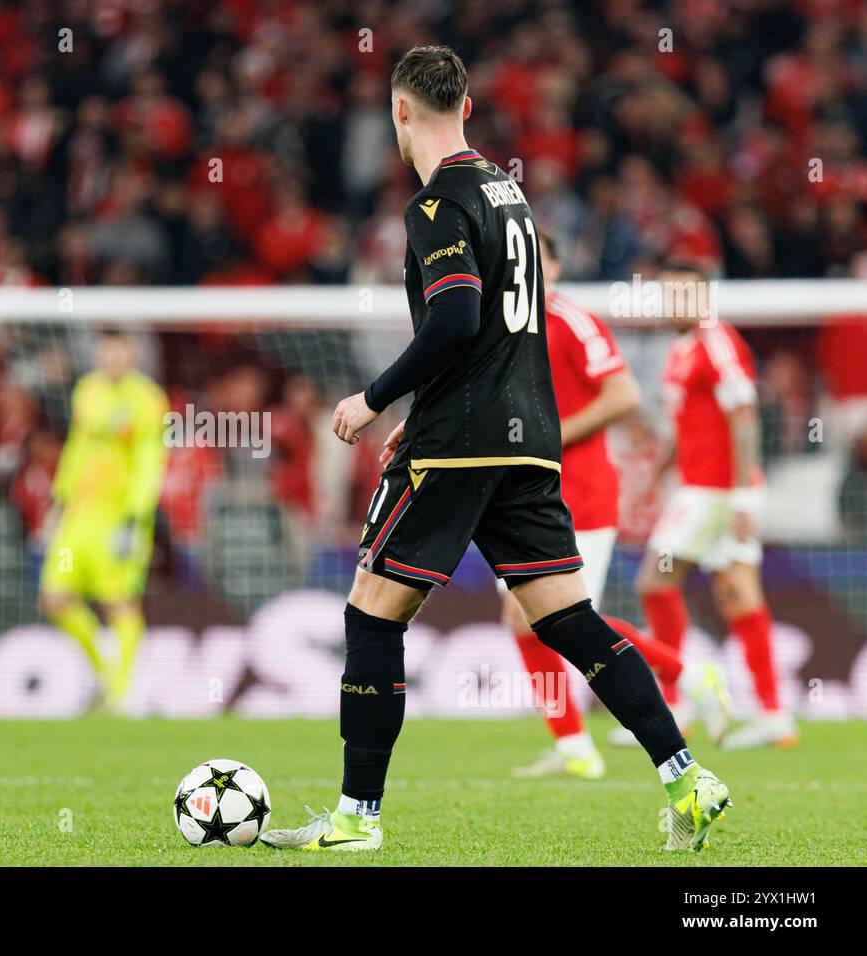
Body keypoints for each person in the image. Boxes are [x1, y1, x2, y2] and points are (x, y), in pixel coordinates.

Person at [260, 46, 730, 853]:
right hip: (529, 439)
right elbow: (505, 330)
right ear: (467, 106)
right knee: (571, 620)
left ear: (401, 113)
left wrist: (374, 400)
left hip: (460, 446)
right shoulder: (512, 196)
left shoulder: (437, 206)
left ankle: (354, 819)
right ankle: (687, 775)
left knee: (372, 615)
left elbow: (456, 321)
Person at [504, 232, 730, 780]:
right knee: (524, 620)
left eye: (541, 260)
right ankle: (575, 746)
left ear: (555, 265)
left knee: (561, 618)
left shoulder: (572, 321)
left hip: (577, 493)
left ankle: (690, 677)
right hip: (519, 494)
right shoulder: (501, 323)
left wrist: (549, 439)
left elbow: (623, 396)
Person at [635, 259, 795, 750]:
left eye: (682, 294)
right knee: (739, 596)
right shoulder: (681, 350)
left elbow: (744, 417)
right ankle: (773, 716)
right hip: (705, 487)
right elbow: (690, 428)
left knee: (653, 581)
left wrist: (744, 492)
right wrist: (657, 476)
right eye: (666, 295)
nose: (672, 304)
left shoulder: (716, 341)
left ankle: (676, 703)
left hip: (719, 492)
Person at [38, 331, 169, 710]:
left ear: (130, 357)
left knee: (119, 603)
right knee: (54, 598)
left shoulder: (146, 399)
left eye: (118, 353)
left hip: (118, 518)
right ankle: (106, 671)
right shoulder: (87, 390)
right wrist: (59, 502)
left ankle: (122, 694)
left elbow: (150, 460)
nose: (111, 360)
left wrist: (135, 517)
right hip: (79, 515)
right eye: (105, 353)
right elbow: (77, 447)